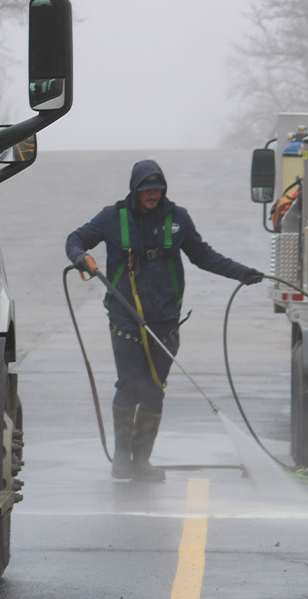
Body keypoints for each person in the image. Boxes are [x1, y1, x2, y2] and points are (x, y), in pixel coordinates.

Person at [67, 160, 264, 481]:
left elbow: (204, 256)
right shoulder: (112, 217)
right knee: (129, 384)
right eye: (146, 190)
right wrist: (80, 256)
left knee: (154, 390)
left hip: (165, 320)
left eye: (157, 190)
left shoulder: (178, 219)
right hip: (126, 318)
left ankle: (141, 462)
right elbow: (75, 239)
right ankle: (122, 459)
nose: (152, 195)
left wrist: (242, 273)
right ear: (135, 190)